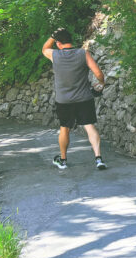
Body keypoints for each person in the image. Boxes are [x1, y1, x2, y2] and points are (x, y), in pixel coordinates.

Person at [42, 28, 107, 171]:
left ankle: (63, 160)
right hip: (84, 98)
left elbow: (44, 48)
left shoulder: (55, 55)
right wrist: (101, 84)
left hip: (64, 101)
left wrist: (53, 36)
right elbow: (98, 73)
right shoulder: (83, 53)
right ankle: (98, 159)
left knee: (65, 129)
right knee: (89, 126)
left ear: (59, 44)